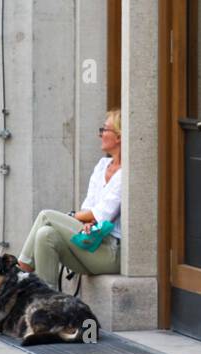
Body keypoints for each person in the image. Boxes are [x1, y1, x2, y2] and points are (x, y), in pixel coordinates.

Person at [17, 111, 122, 288]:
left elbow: (102, 215)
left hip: (110, 252)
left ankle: (21, 270)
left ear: (119, 136)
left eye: (104, 129)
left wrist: (80, 217)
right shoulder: (102, 166)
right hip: (91, 240)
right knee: (45, 235)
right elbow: (88, 206)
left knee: (46, 216)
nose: (100, 134)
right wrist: (85, 219)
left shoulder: (125, 173)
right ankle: (47, 302)